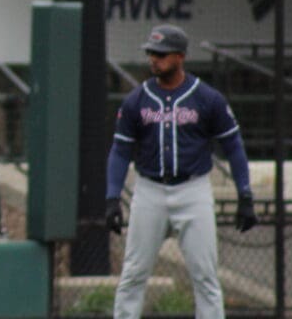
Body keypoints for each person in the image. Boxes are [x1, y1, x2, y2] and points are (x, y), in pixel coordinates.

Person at [105, 24, 258, 319]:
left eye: (161, 54)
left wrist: (245, 193)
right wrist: (112, 197)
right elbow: (121, 150)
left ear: (180, 56)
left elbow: (234, 147)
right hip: (149, 191)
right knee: (133, 275)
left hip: (193, 190)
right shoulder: (136, 100)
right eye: (151, 53)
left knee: (206, 278)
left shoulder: (207, 98)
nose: (154, 59)